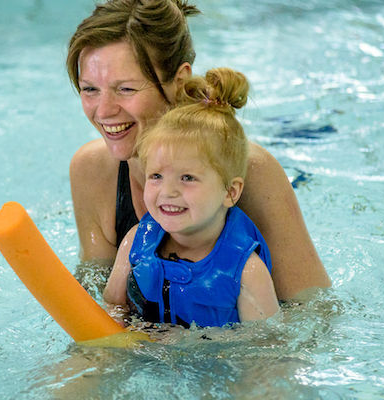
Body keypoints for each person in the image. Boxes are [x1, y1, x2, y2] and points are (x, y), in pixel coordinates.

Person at [66, 0, 330, 300]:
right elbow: (97, 293)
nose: (103, 111)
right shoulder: (92, 170)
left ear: (179, 81)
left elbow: (313, 314)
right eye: (89, 89)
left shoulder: (249, 169)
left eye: (126, 89)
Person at [103, 68, 279, 327]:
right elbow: (113, 306)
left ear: (230, 192)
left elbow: (264, 352)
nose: (167, 192)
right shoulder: (136, 242)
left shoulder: (246, 273)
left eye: (187, 178)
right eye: (156, 176)